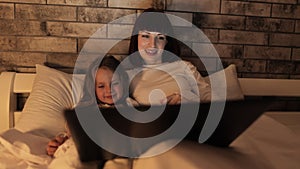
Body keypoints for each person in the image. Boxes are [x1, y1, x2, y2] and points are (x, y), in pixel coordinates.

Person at [46, 55, 130, 157]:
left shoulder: (131, 106)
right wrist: (58, 144)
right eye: (101, 86)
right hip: (86, 152)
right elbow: (70, 137)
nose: (109, 90)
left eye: (114, 83)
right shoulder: (83, 110)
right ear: (93, 88)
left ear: (123, 82)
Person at [126, 8, 212, 105]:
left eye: (160, 37)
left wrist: (186, 100)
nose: (152, 45)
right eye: (146, 36)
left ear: (166, 42)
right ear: (136, 38)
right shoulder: (127, 76)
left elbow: (213, 102)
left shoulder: (184, 67)